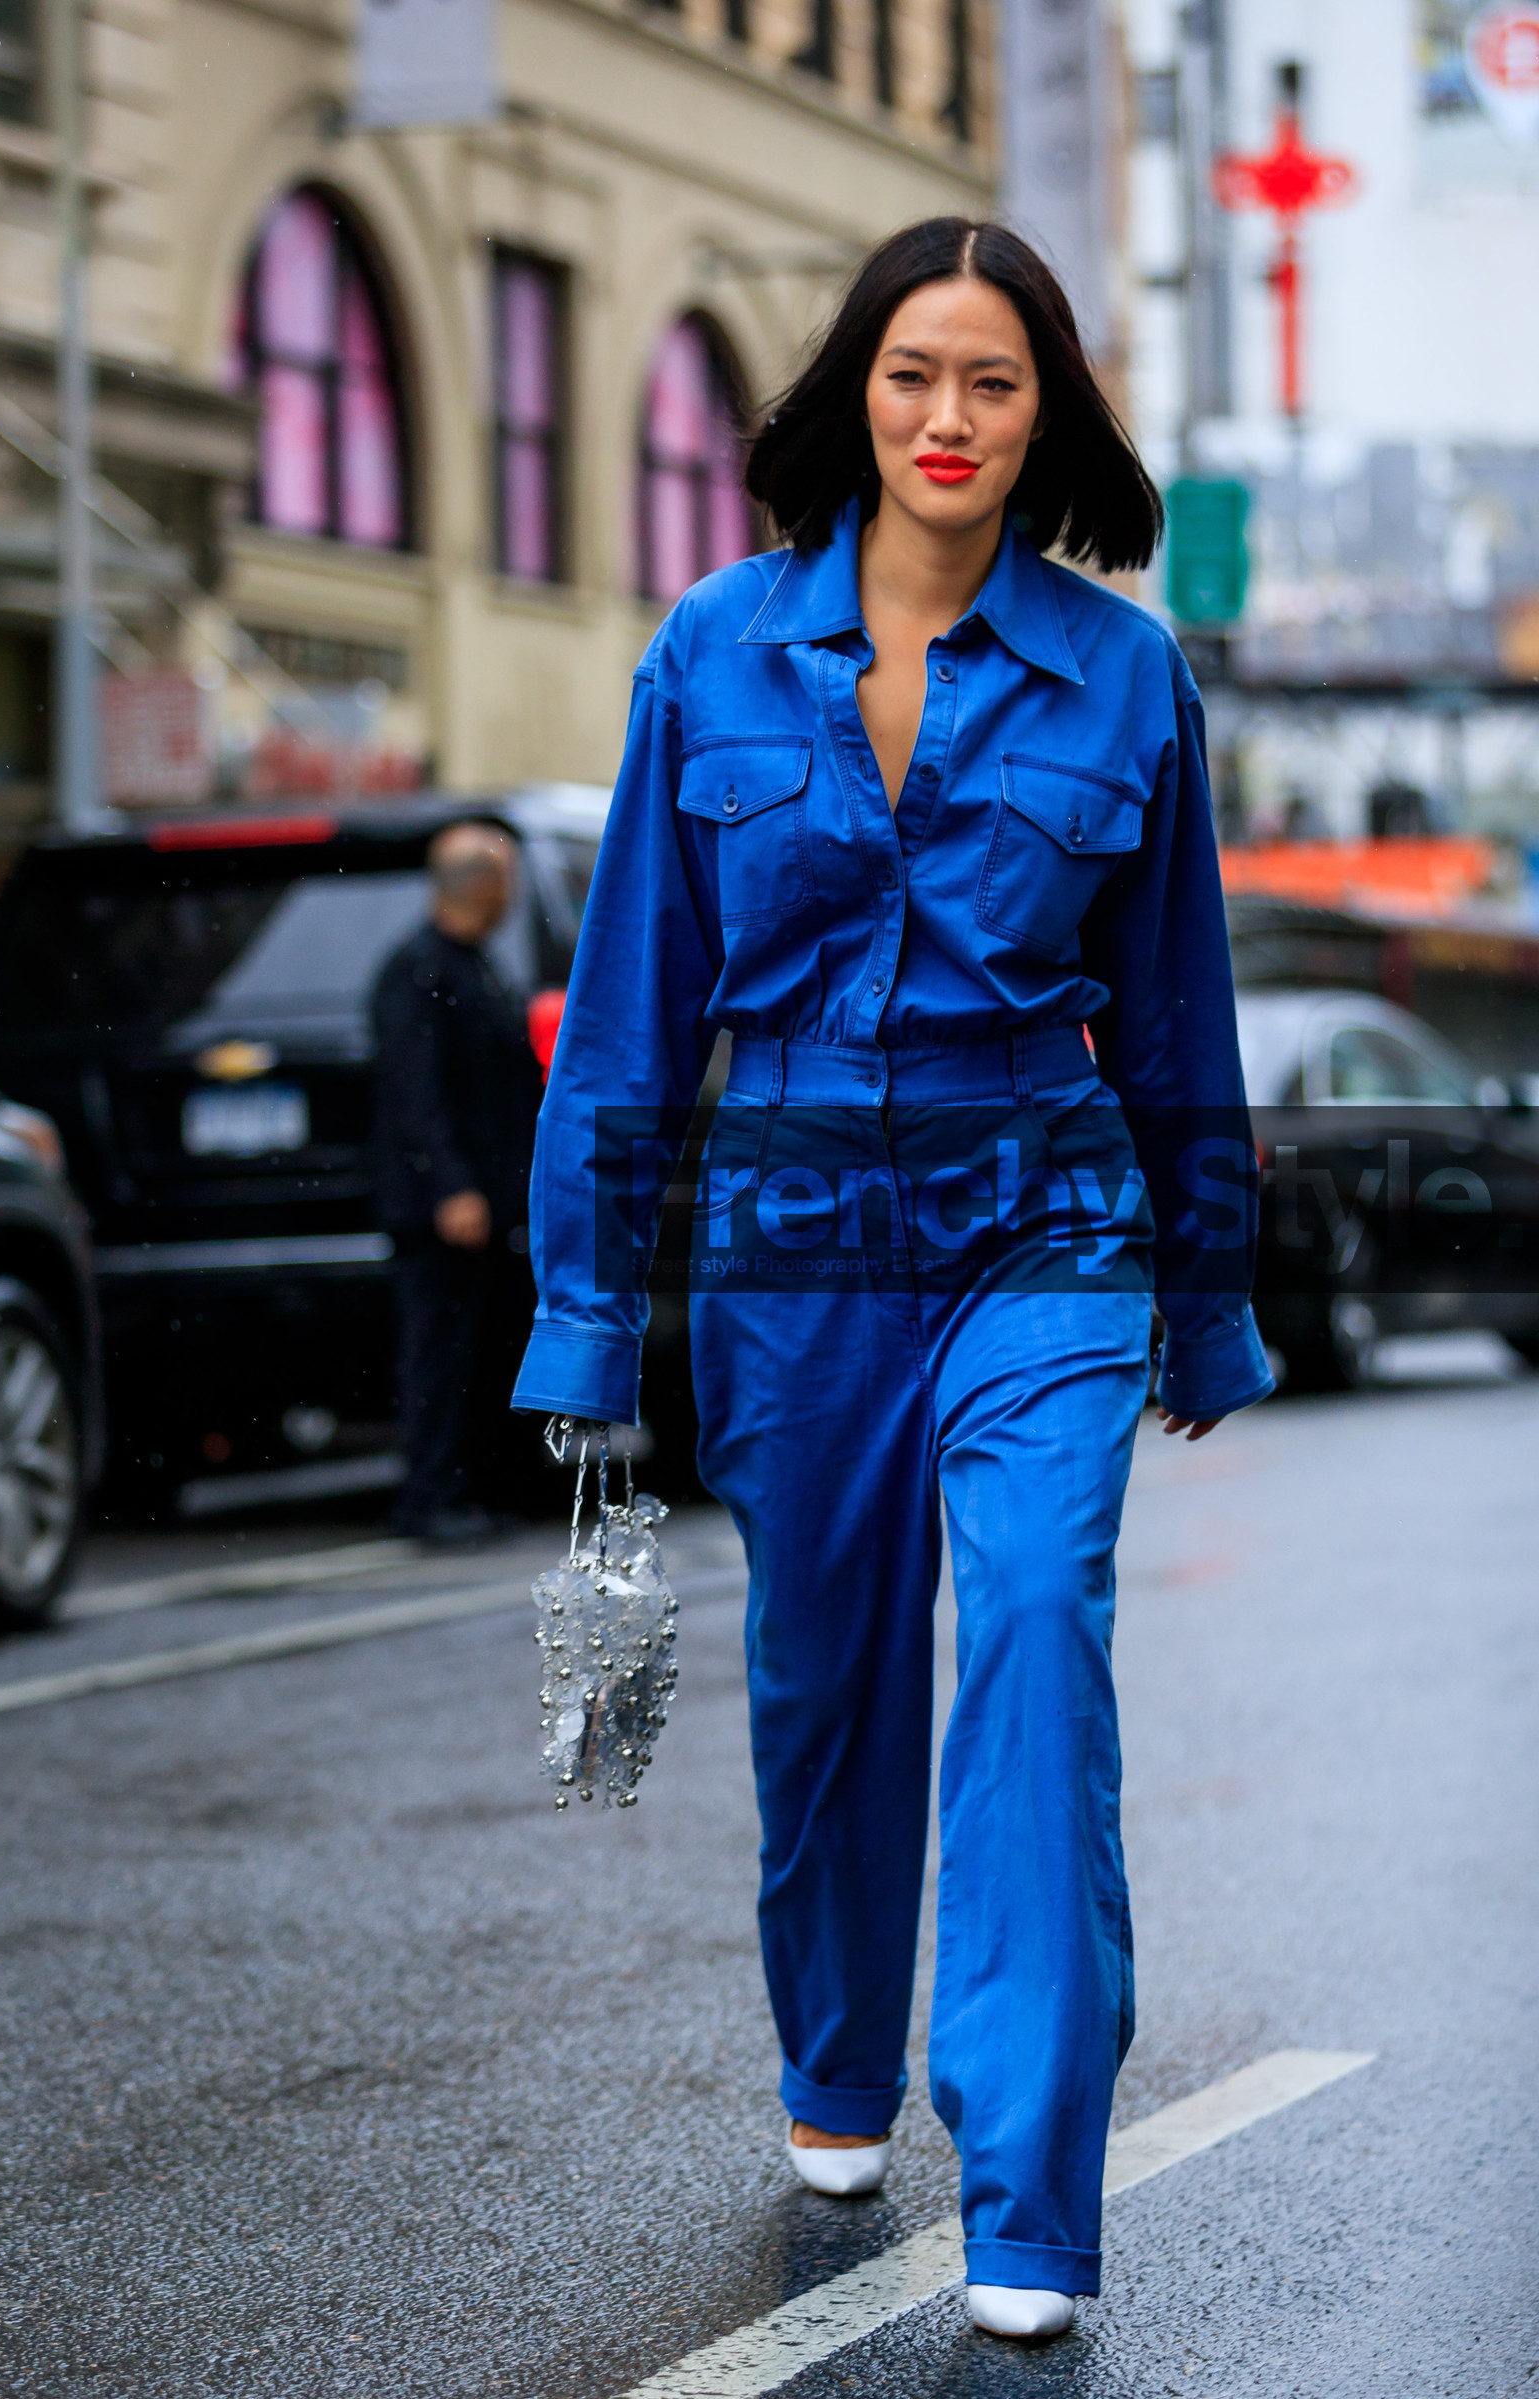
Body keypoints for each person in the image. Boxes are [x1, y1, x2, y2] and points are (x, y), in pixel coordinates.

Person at [512, 219, 1274, 2340]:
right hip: (791, 1237)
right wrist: (588, 1315)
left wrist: (1205, 1294)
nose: (949, 417)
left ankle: (1027, 2190)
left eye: (994, 381)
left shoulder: (1123, 673)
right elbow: (632, 1008)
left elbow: (1177, 1016)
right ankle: (836, 2055)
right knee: (823, 1683)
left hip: (1042, 1208)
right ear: (858, 392)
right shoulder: (712, 649)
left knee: (1035, 1628)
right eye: (913, 373)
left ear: (1044, 417)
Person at [372, 822, 543, 1545]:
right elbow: (413, 1094)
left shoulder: (475, 965)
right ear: (485, 886)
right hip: (442, 1206)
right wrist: (450, 1186)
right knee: (439, 1354)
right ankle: (429, 1493)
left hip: (487, 1199)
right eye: (506, 878)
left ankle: (476, 1486)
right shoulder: (418, 969)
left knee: (482, 1347)